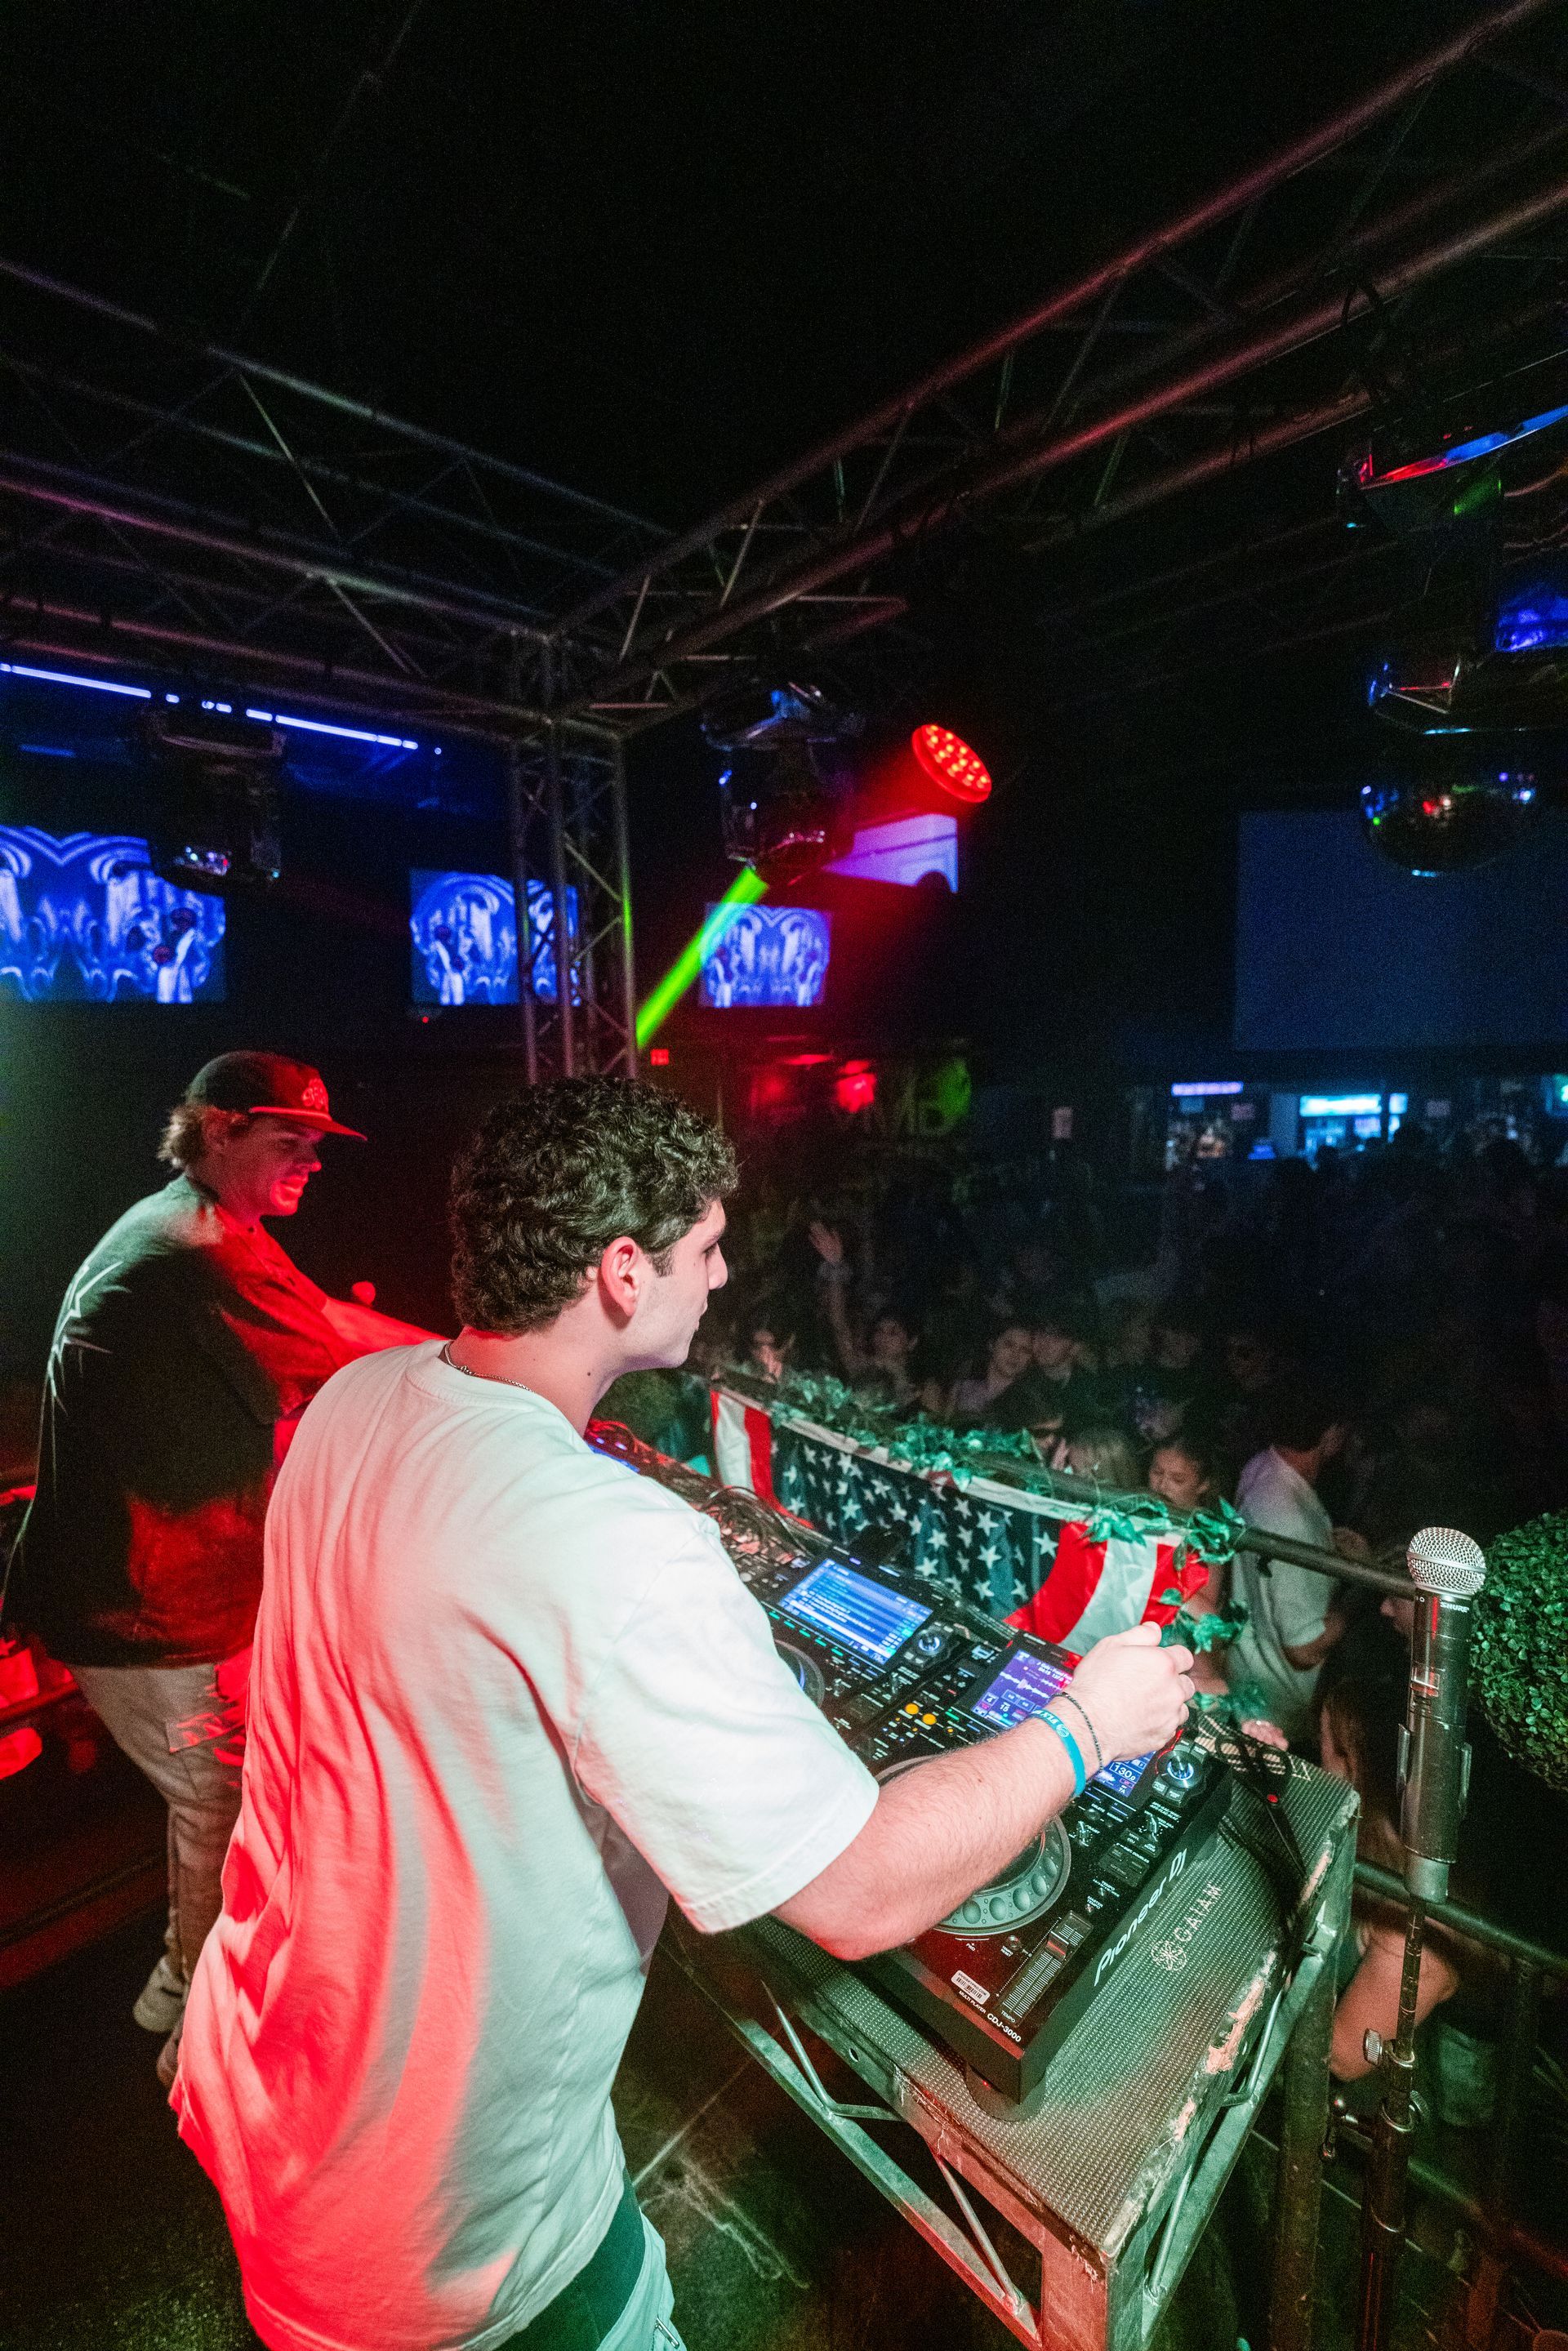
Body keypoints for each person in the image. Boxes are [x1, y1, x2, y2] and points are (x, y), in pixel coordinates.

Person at [175, 1077, 1192, 2351]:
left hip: (275, 2093)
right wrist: (1090, 1719)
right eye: (705, 1247)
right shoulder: (615, 1541)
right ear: (619, 1271)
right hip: (447, 2235)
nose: (719, 1277)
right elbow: (859, 1886)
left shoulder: (354, 1403)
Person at [7, 1051, 431, 2083]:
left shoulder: (198, 1226)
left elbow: (316, 1332)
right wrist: (505, 1375)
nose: (313, 1160)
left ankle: (170, 1987)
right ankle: (203, 2044)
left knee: (216, 1802)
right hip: (145, 1615)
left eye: (320, 1144)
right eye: (291, 1140)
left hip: (131, 1602)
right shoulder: (197, 1250)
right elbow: (347, 1344)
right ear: (218, 1128)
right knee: (225, 1810)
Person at [1224, 1378, 1349, 1742]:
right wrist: (1360, 1587)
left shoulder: (1261, 1465)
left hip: (1252, 1691)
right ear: (1331, 1436)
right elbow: (1304, 1649)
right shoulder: (1288, 1515)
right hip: (1279, 1717)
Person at [951, 1321, 1035, 1425]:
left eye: (1024, 1350)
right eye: (1009, 1345)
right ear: (992, 1345)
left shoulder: (1028, 1401)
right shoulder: (962, 1388)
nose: (1015, 1355)